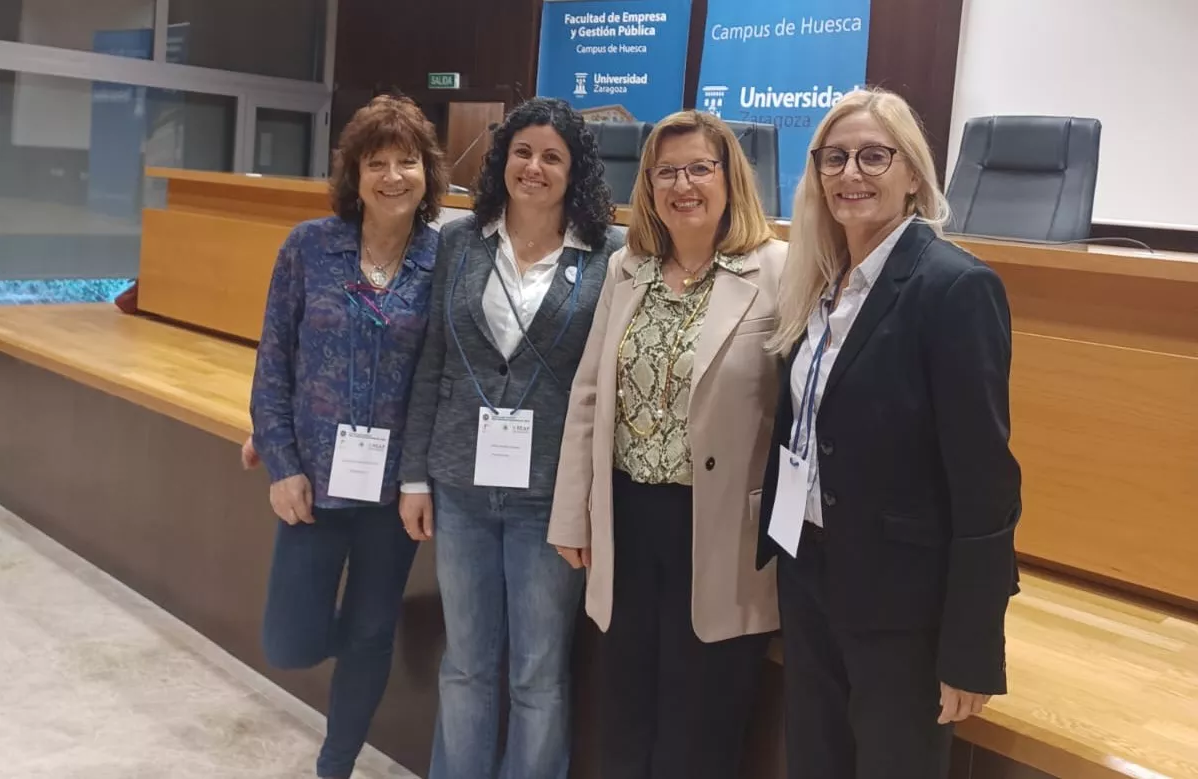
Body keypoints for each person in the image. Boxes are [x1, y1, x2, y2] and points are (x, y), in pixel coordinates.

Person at [757, 87, 1022, 779]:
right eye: (835, 158)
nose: (851, 173)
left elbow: (985, 483)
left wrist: (971, 646)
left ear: (913, 174)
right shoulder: (818, 279)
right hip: (810, 570)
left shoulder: (955, 288)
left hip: (902, 603)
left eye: (874, 155)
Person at [549, 110, 786, 779]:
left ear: (730, 177)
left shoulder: (777, 269)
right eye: (666, 171)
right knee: (625, 710)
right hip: (626, 518)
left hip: (718, 531)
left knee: (700, 725)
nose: (683, 184)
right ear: (648, 185)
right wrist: (574, 513)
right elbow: (590, 394)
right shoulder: (630, 268)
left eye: (700, 168)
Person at [396, 97, 622, 779]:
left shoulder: (609, 256)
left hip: (550, 500)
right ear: (503, 160)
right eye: (523, 152)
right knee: (465, 663)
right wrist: (413, 475)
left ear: (575, 170)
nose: (535, 167)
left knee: (537, 672)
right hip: (459, 486)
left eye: (553, 156)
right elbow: (432, 358)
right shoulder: (459, 242)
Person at [248, 94, 448, 779]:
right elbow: (273, 358)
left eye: (408, 161)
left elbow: (442, 374)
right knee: (289, 639)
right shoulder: (309, 247)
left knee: (369, 633)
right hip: (313, 479)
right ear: (354, 176)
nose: (394, 176)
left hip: (395, 492)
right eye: (377, 163)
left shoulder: (441, 259)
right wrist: (279, 457)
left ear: (428, 173)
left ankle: (335, 761)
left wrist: (424, 477)